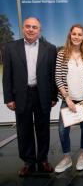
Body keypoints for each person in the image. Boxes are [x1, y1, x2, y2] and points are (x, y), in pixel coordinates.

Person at [2, 17, 57, 176]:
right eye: (28, 26)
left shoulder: (50, 48)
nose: (31, 29)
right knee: (23, 129)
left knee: (43, 128)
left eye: (34, 27)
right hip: (21, 95)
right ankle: (28, 162)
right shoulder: (11, 48)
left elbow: (53, 75)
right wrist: (9, 98)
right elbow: (7, 76)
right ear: (23, 28)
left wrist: (54, 96)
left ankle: (43, 160)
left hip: (43, 94)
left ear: (39, 30)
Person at [54, 24, 83, 173]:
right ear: (70, 35)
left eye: (80, 34)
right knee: (62, 130)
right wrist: (68, 99)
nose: (77, 37)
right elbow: (58, 78)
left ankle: (82, 155)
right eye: (74, 34)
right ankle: (67, 159)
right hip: (68, 99)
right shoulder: (61, 54)